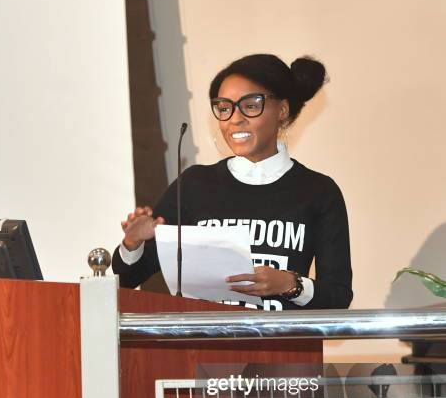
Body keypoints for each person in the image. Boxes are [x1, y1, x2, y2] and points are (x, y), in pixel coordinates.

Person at [112, 54, 353, 310]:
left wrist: (290, 285)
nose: (235, 118)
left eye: (250, 105)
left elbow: (337, 297)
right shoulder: (195, 185)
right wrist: (133, 243)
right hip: (204, 347)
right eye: (225, 108)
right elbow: (125, 279)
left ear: (282, 110)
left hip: (282, 346)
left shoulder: (318, 191)